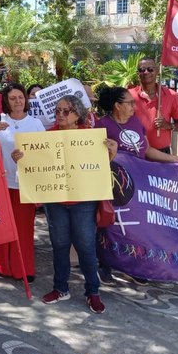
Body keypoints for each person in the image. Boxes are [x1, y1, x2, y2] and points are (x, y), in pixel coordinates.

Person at [25, 95, 115, 314]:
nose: (61, 115)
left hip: (83, 201)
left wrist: (111, 152)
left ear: (77, 114)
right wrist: (22, 157)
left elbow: (101, 166)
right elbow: (37, 165)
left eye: (66, 111)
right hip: (56, 202)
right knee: (60, 245)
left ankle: (93, 291)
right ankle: (60, 288)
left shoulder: (90, 137)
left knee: (85, 246)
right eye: (57, 111)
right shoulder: (47, 137)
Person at [95, 86, 178, 285]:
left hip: (136, 186)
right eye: (129, 103)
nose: (133, 106)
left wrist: (172, 159)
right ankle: (105, 265)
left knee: (135, 228)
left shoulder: (136, 122)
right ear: (116, 106)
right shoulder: (101, 126)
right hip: (113, 186)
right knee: (111, 226)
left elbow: (147, 150)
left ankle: (134, 267)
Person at [0, 83, 45, 282]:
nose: (17, 101)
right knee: (0, 226)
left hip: (25, 183)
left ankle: (23, 267)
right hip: (0, 181)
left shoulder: (35, 124)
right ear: (6, 102)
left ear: (26, 100)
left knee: (24, 227)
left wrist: (27, 157)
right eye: (13, 98)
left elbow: (45, 154)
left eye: (20, 97)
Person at [129, 57, 178, 153]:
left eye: (150, 69)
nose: (146, 72)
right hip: (135, 152)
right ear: (137, 73)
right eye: (142, 70)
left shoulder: (172, 95)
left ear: (156, 71)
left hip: (162, 153)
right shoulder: (129, 95)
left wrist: (169, 125)